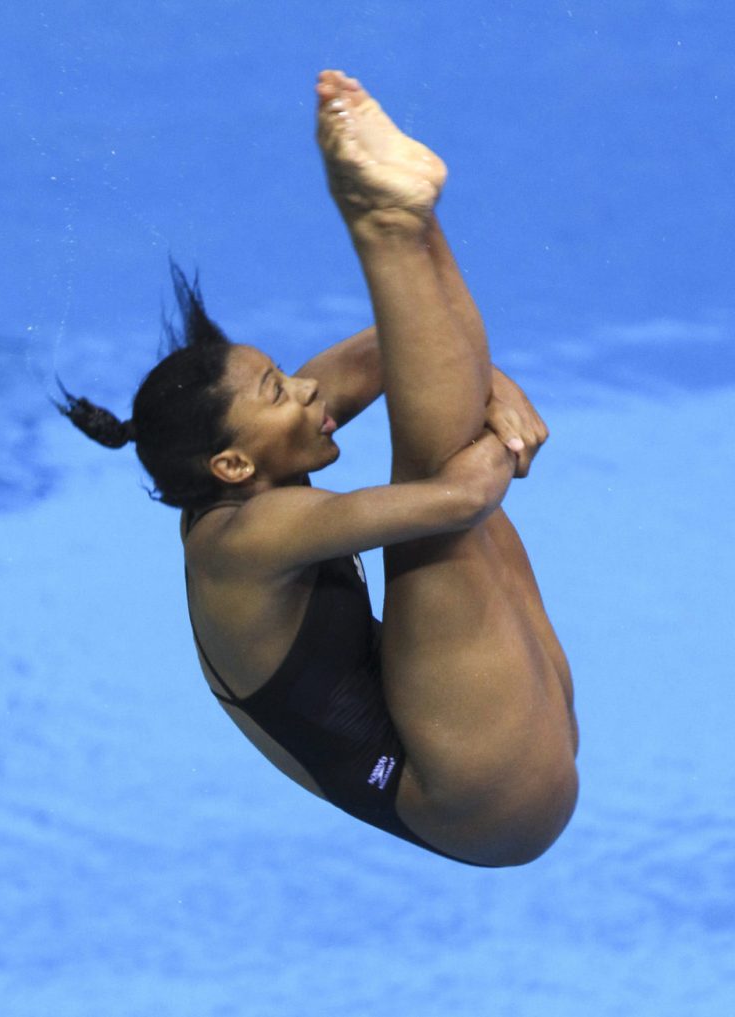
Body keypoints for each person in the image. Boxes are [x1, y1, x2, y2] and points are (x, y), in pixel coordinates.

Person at [60, 70, 578, 866]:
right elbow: (456, 495)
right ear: (232, 462)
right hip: (479, 799)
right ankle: (382, 219)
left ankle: (412, 218)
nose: (304, 389)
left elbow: (379, 352)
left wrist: (498, 392)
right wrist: (500, 423)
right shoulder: (247, 536)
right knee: (433, 486)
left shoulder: (248, 462)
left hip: (502, 725)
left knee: (429, 396)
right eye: (277, 389)